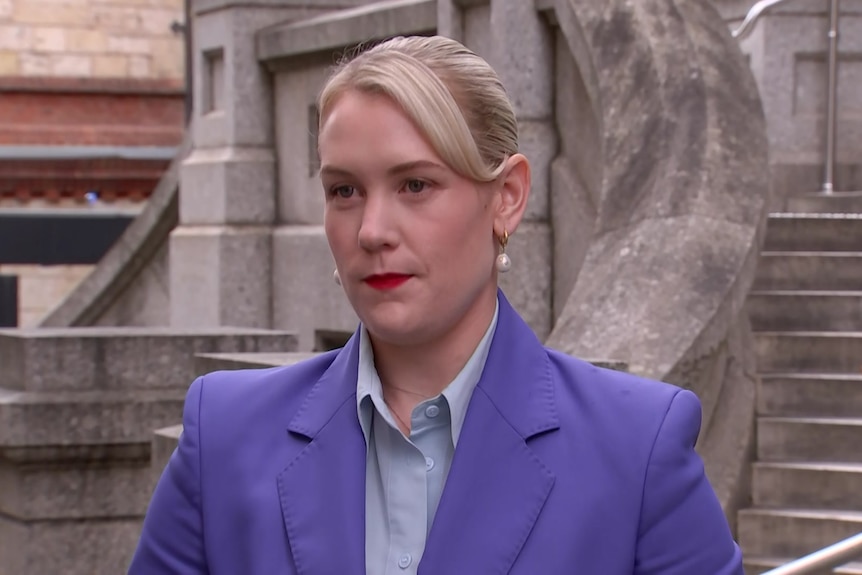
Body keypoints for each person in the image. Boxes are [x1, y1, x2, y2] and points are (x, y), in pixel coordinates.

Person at [129, 35, 743, 574]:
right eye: (344, 190)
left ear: (506, 197)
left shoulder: (637, 450)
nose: (372, 230)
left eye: (414, 185)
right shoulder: (225, 436)